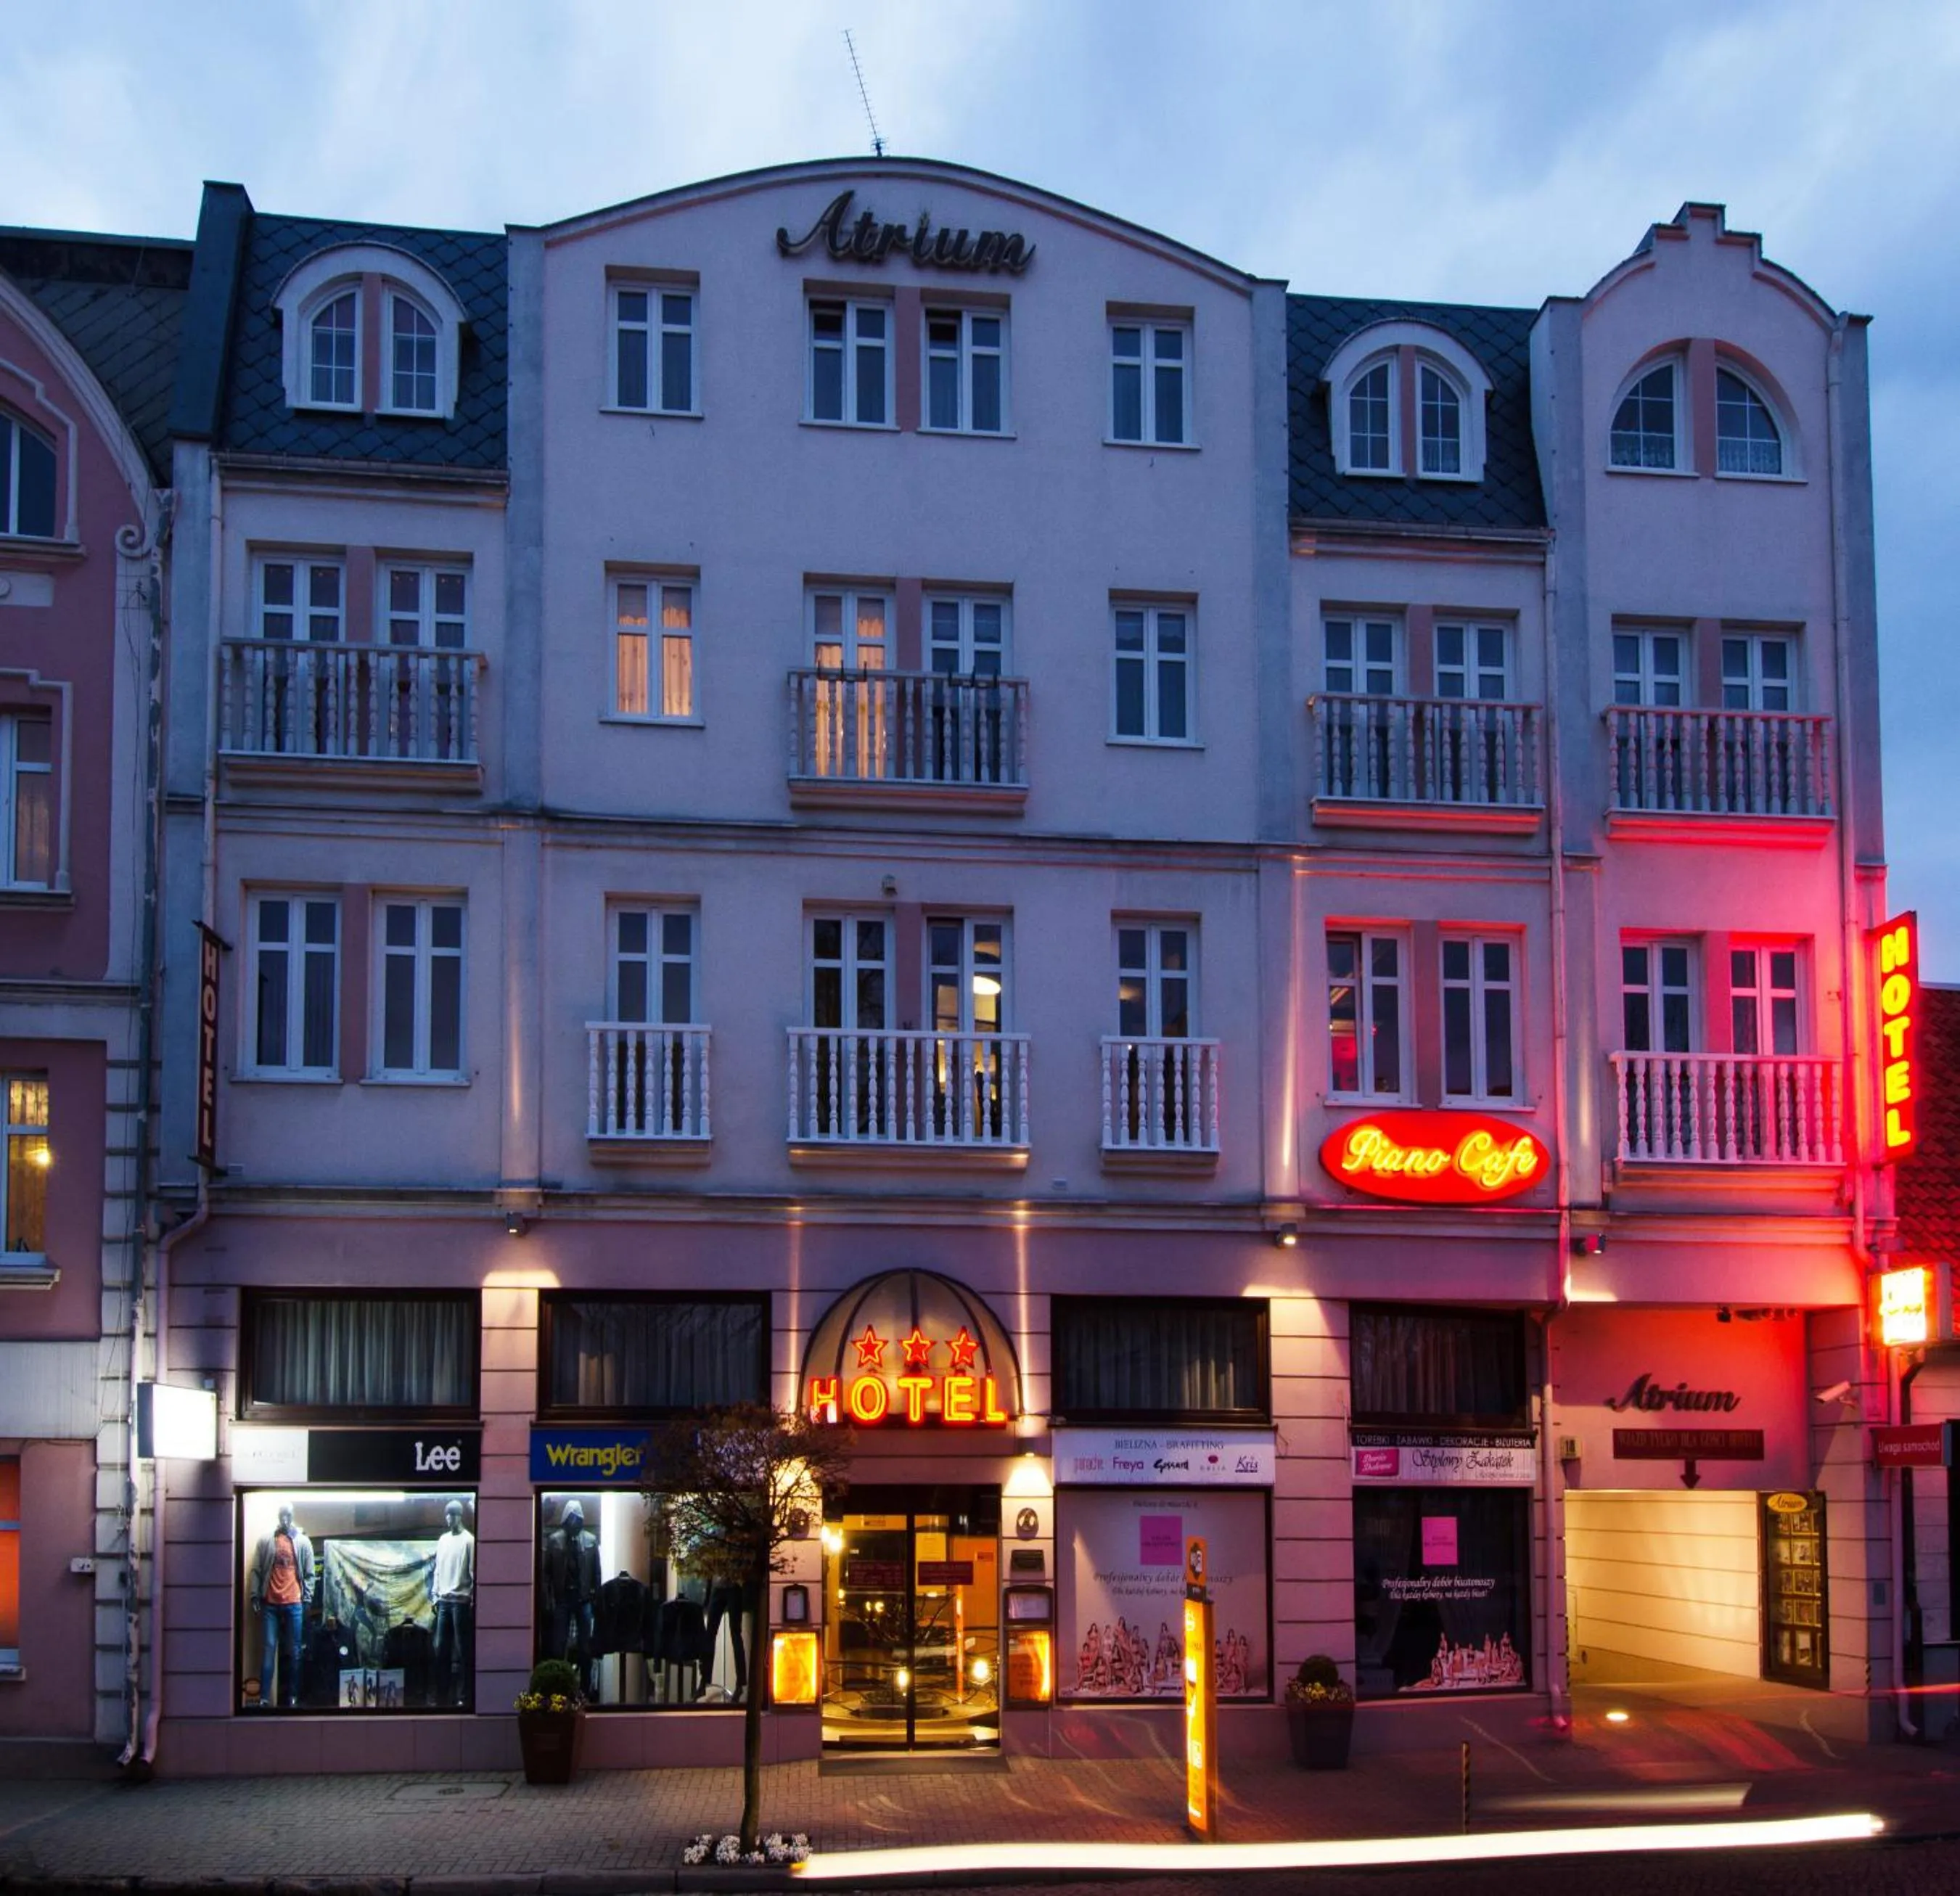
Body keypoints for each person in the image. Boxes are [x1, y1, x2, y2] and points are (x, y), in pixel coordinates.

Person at [248, 1503, 314, 1709]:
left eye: (288, 1515)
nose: (285, 1519)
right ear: (278, 1517)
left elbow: (310, 1573)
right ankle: (264, 1697)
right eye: (282, 1515)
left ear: (292, 1517)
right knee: (269, 1649)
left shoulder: (303, 1541)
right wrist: (255, 1595)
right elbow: (256, 1569)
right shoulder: (267, 1540)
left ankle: (292, 1696)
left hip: (294, 1601)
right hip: (271, 1602)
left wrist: (307, 1599)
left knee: (295, 1650)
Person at [541, 1498, 601, 1696]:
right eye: (572, 1520)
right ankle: (559, 1688)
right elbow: (546, 1574)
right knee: (559, 1645)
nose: (575, 1523)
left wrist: (595, 1598)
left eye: (578, 1519)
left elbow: (596, 1573)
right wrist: (549, 1600)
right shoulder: (555, 1540)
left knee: (586, 1647)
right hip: (563, 1598)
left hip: (583, 1599)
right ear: (566, 1521)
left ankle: (585, 1689)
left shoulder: (590, 1540)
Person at [430, 1499, 475, 1707]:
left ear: (459, 1516)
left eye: (453, 1515)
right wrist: (435, 1595)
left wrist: (472, 1598)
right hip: (444, 1600)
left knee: (463, 1650)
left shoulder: (469, 1541)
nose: (449, 1519)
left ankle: (464, 1696)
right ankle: (442, 1695)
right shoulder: (443, 1540)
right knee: (441, 1649)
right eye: (447, 1515)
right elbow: (438, 1569)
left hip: (461, 1600)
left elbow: (474, 1572)